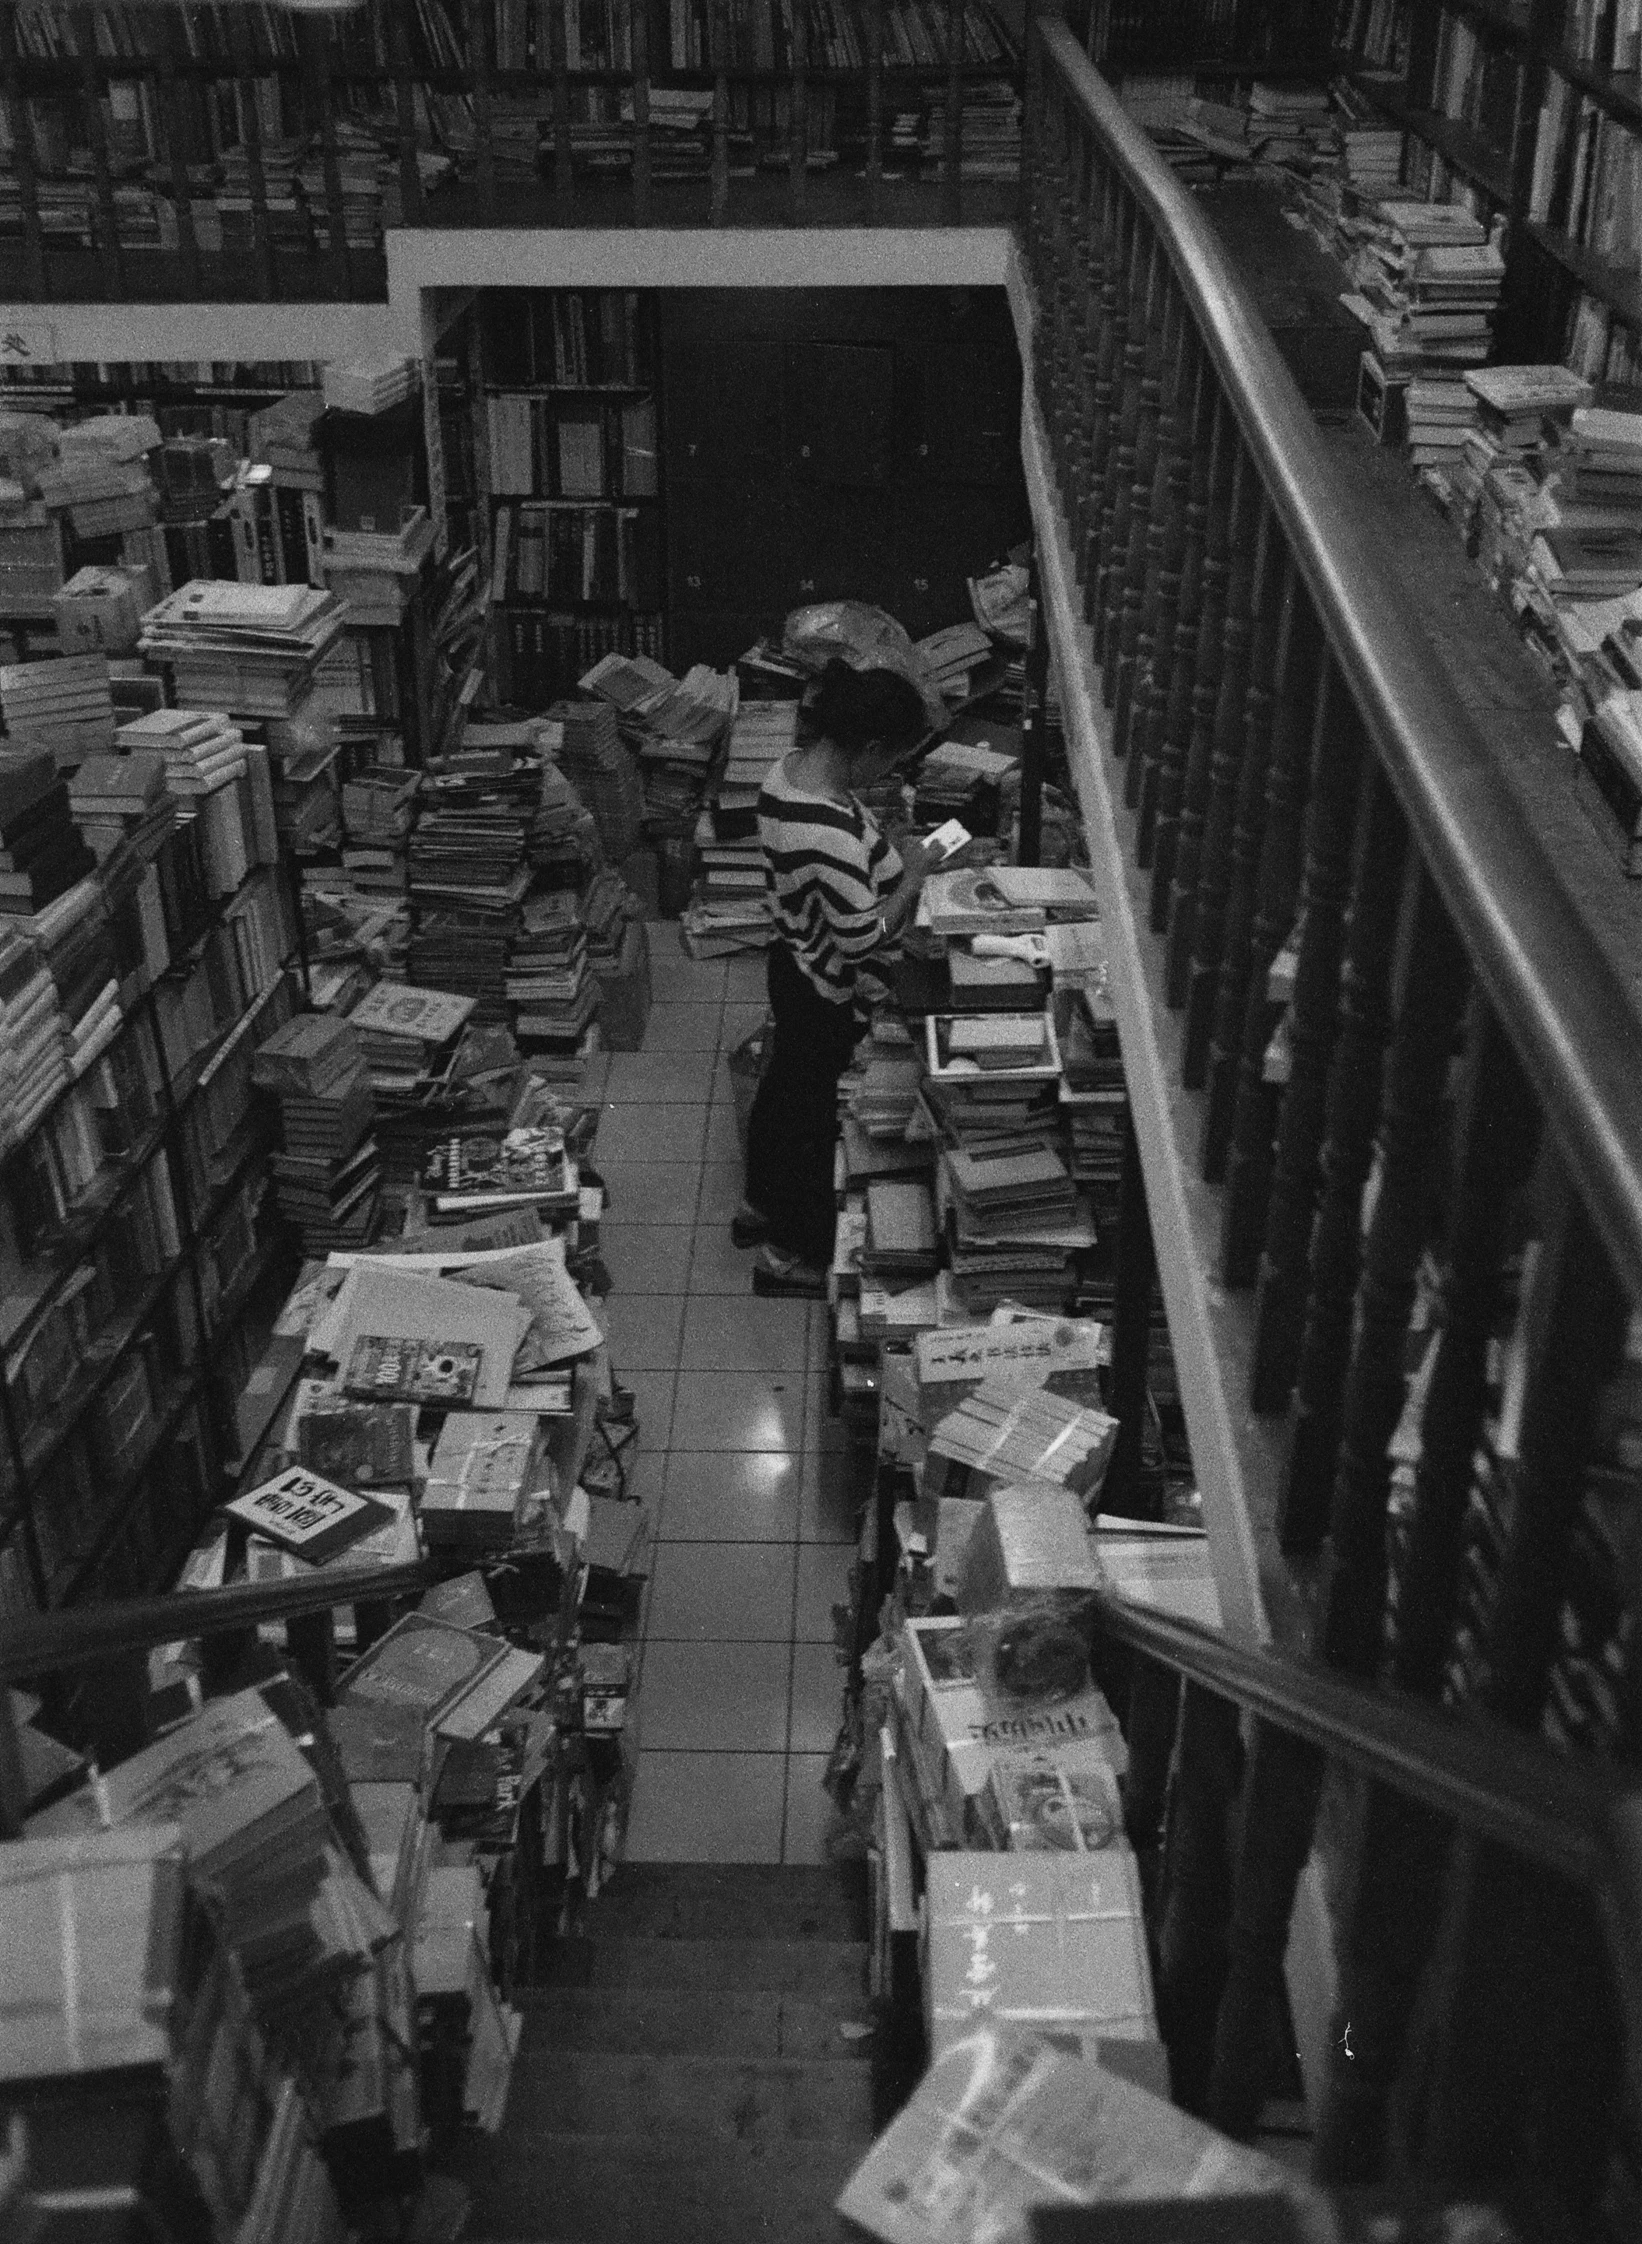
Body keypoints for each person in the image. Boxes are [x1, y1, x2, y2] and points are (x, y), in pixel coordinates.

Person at [738, 657, 940, 1298]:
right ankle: (791, 1248)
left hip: (792, 959)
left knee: (784, 1088)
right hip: (823, 985)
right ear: (870, 747)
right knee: (806, 1110)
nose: (891, 773)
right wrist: (912, 872)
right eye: (893, 760)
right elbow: (862, 938)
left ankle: (761, 1205)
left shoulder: (789, 773)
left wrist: (884, 848)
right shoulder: (822, 827)